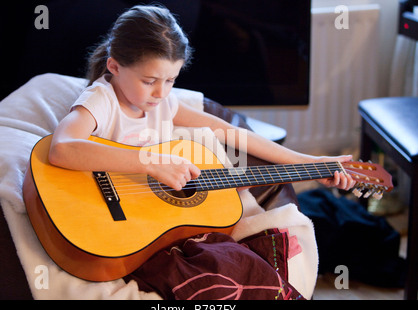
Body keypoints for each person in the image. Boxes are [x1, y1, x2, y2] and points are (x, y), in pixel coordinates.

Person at [49, 4, 355, 192]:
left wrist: (314, 163)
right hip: (105, 206)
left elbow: (234, 134)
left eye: (171, 80)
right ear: (114, 66)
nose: (161, 92)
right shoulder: (102, 100)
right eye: (149, 81)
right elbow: (62, 149)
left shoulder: (163, 104)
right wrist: (150, 162)